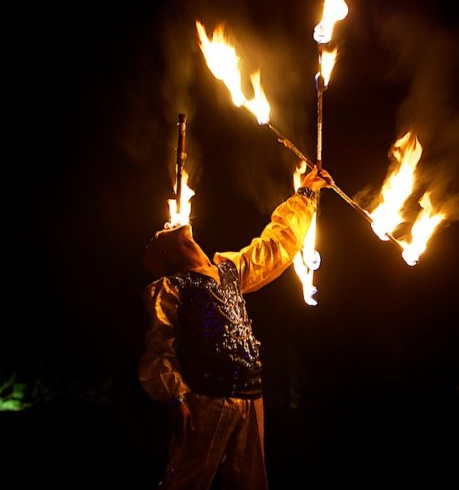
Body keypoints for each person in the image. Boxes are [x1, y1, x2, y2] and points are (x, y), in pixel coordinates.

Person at [139, 165, 332, 489]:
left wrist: (307, 192)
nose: (171, 221)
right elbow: (159, 349)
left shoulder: (229, 269)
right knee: (186, 482)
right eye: (162, 230)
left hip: (251, 395)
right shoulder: (172, 287)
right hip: (207, 397)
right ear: (165, 254)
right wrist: (176, 398)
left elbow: (275, 246)